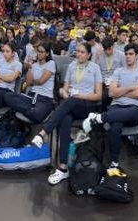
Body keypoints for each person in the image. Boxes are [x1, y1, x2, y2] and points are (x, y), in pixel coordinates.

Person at [30, 42, 102, 185]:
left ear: (88, 55)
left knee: (70, 102)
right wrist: (64, 93)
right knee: (65, 119)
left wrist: (79, 96)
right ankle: (63, 168)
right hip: (71, 105)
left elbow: (98, 95)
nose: (79, 54)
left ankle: (43, 133)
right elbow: (64, 90)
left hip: (87, 105)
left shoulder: (95, 68)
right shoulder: (72, 67)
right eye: (78, 51)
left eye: (82, 52)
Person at [82, 42, 138, 170]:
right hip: (117, 107)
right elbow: (112, 93)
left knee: (129, 114)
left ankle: (99, 118)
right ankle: (114, 163)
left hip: (134, 110)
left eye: (131, 54)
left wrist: (121, 93)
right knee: (115, 126)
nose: (128, 56)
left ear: (137, 56)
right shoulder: (118, 71)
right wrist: (130, 88)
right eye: (126, 54)